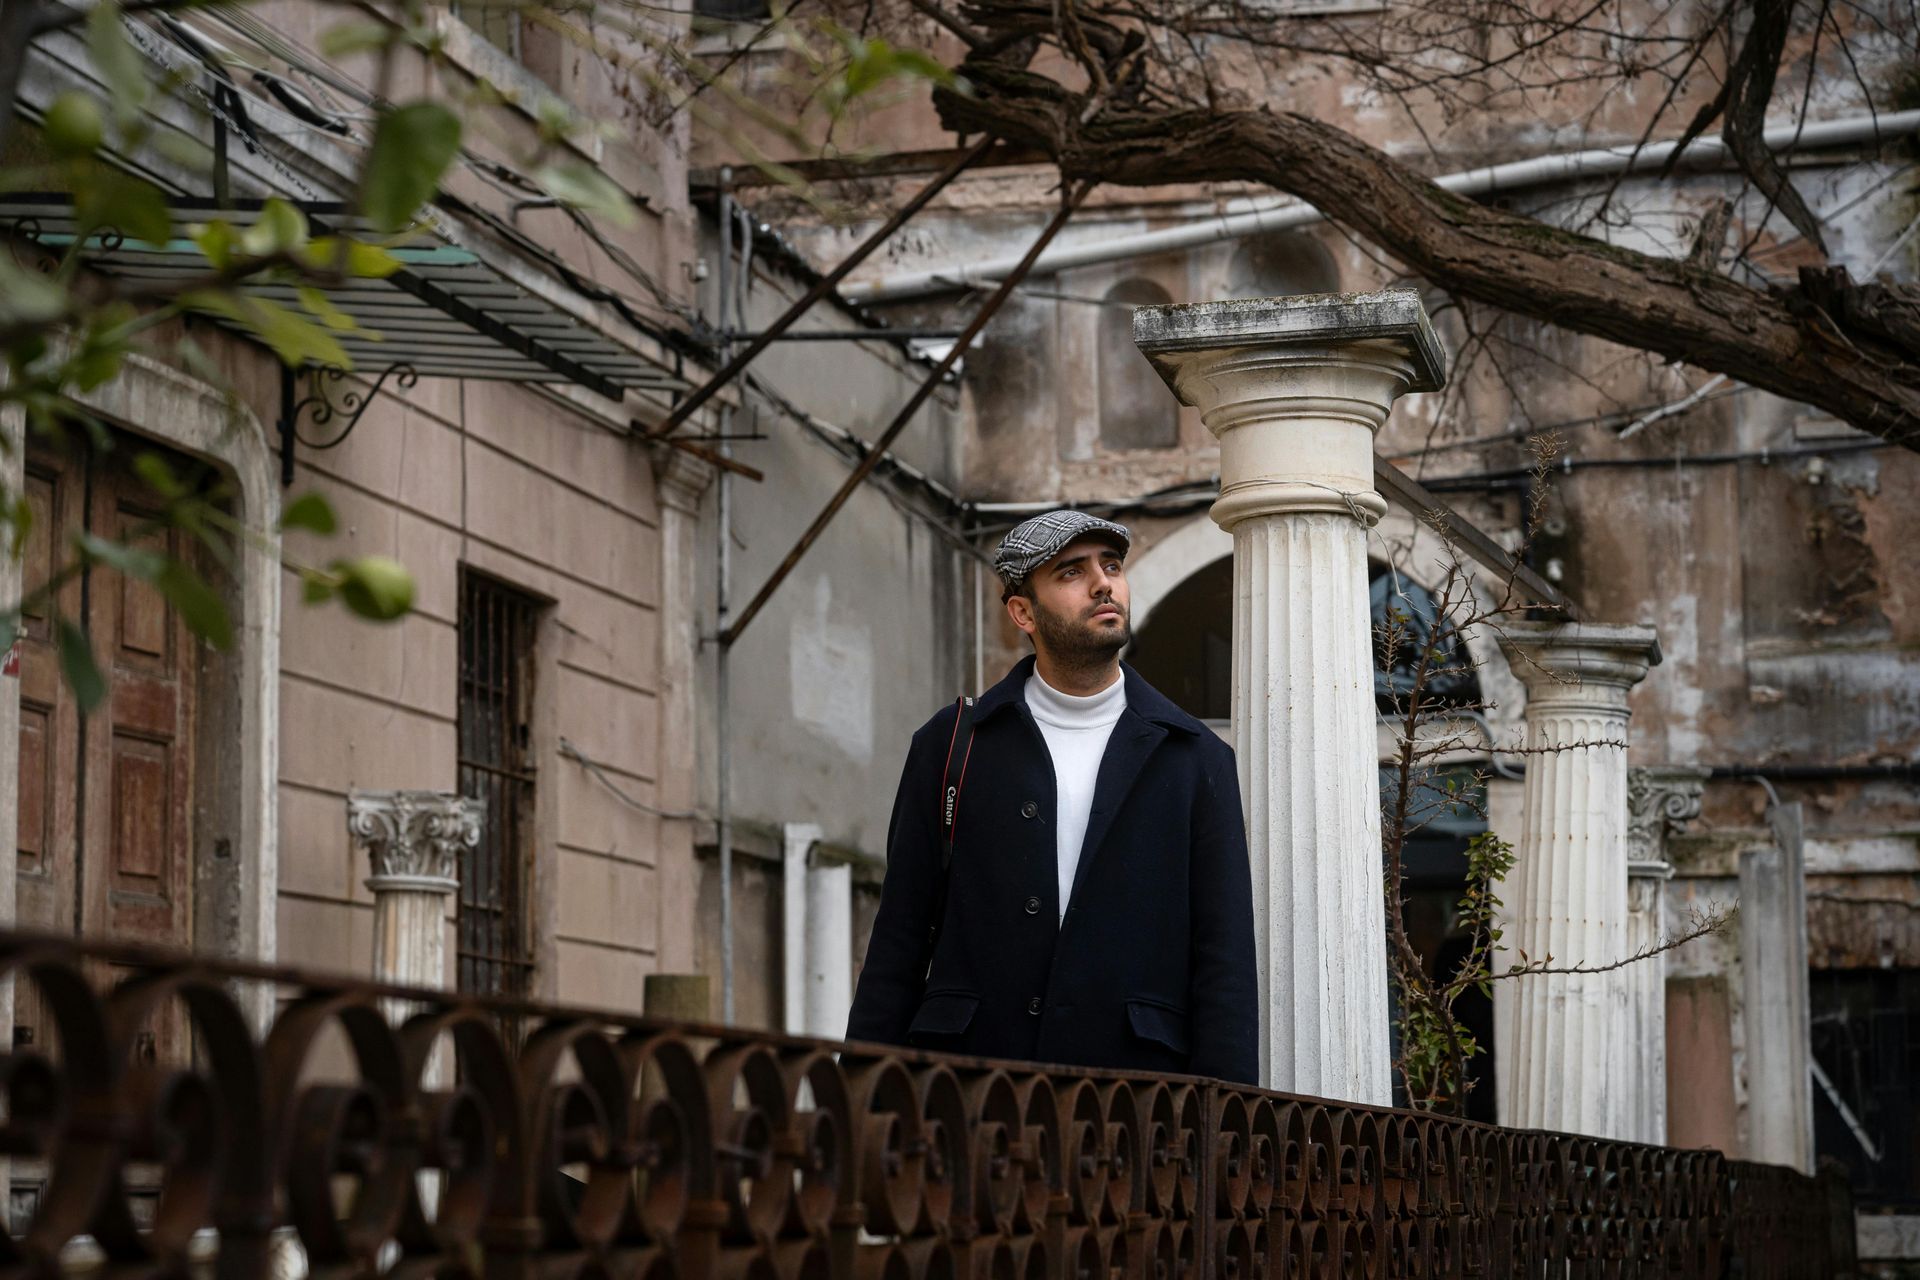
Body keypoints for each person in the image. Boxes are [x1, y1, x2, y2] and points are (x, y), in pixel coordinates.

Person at [846, 509, 1258, 1083]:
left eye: (1111, 566)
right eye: (1070, 572)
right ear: (1023, 612)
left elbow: (1225, 964)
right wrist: (863, 1109)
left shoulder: (1196, 757)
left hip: (1134, 1110)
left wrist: (1224, 1137)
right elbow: (899, 940)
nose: (1103, 584)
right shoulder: (953, 743)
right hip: (974, 1101)